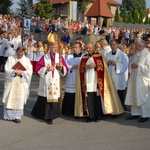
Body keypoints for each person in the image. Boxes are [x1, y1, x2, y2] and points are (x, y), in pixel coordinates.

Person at [75, 42, 124, 123]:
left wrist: (96, 65)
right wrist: (85, 66)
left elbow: (104, 67)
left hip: (96, 80)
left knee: (97, 99)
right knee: (89, 99)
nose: (88, 49)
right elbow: (81, 68)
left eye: (89, 48)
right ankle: (90, 116)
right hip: (88, 81)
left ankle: (98, 116)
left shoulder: (100, 56)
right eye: (87, 48)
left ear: (94, 48)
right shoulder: (84, 57)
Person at [31, 32, 68, 125]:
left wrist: (62, 68)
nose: (54, 49)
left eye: (56, 47)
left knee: (54, 98)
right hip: (46, 81)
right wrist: (46, 68)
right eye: (52, 47)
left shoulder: (59, 57)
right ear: (49, 48)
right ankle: (47, 116)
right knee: (45, 99)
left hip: (55, 80)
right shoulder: (44, 57)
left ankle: (53, 115)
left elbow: (66, 69)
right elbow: (37, 69)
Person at [2, 46, 33, 123]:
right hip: (12, 82)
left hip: (21, 82)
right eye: (18, 54)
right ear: (16, 52)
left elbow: (30, 72)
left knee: (19, 98)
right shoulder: (11, 58)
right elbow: (6, 69)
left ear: (24, 53)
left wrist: (22, 72)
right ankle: (9, 115)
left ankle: (17, 116)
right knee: (10, 97)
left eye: (21, 54)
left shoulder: (26, 60)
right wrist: (15, 71)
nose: (19, 56)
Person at [125, 39, 150, 123]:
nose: (135, 46)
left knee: (142, 97)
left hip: (142, 80)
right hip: (134, 78)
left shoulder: (147, 55)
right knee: (134, 95)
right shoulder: (137, 54)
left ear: (140, 46)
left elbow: (148, 68)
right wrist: (131, 65)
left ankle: (145, 115)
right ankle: (135, 113)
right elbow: (132, 63)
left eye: (136, 45)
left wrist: (138, 66)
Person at [105, 39, 129, 109]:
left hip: (119, 77)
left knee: (119, 93)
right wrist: (107, 63)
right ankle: (112, 108)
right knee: (111, 93)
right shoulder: (107, 54)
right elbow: (104, 65)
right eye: (111, 45)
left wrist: (116, 64)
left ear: (117, 45)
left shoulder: (122, 54)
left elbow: (125, 65)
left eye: (114, 45)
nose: (112, 47)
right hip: (110, 77)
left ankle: (120, 108)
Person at [62, 42, 83, 116]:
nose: (75, 49)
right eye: (74, 47)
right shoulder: (69, 56)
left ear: (80, 48)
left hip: (79, 76)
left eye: (76, 47)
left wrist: (79, 66)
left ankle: (78, 111)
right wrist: (71, 67)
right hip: (71, 76)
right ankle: (67, 111)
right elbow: (65, 65)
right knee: (70, 93)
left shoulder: (83, 56)